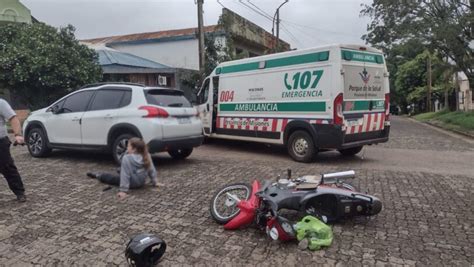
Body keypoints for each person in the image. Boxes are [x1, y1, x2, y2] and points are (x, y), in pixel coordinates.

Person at [87, 137, 160, 198]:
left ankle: (98, 175)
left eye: (128, 146)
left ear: (134, 149)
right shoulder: (147, 155)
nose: (127, 147)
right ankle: (118, 171)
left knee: (111, 177)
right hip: (141, 182)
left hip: (132, 184)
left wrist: (123, 191)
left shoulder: (127, 158)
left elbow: (125, 175)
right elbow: (151, 169)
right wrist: (155, 182)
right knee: (120, 170)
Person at [0, 98, 26, 202]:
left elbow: (13, 118)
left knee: (7, 167)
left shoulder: (1, 103)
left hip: (0, 142)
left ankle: (19, 192)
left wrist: (18, 135)